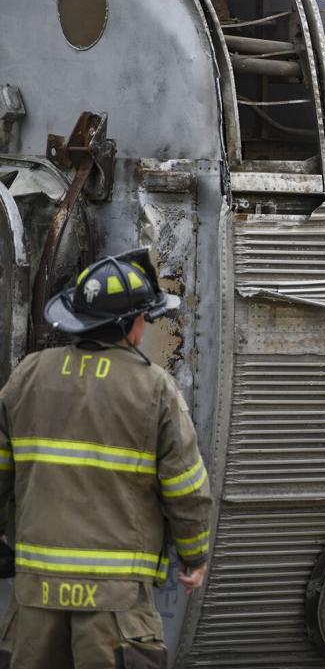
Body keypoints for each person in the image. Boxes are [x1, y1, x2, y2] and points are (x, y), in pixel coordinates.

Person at [0, 249, 213, 668]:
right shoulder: (154, 388)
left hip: (34, 599)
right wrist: (195, 557)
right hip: (116, 606)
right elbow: (186, 489)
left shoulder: (28, 374)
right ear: (131, 326)